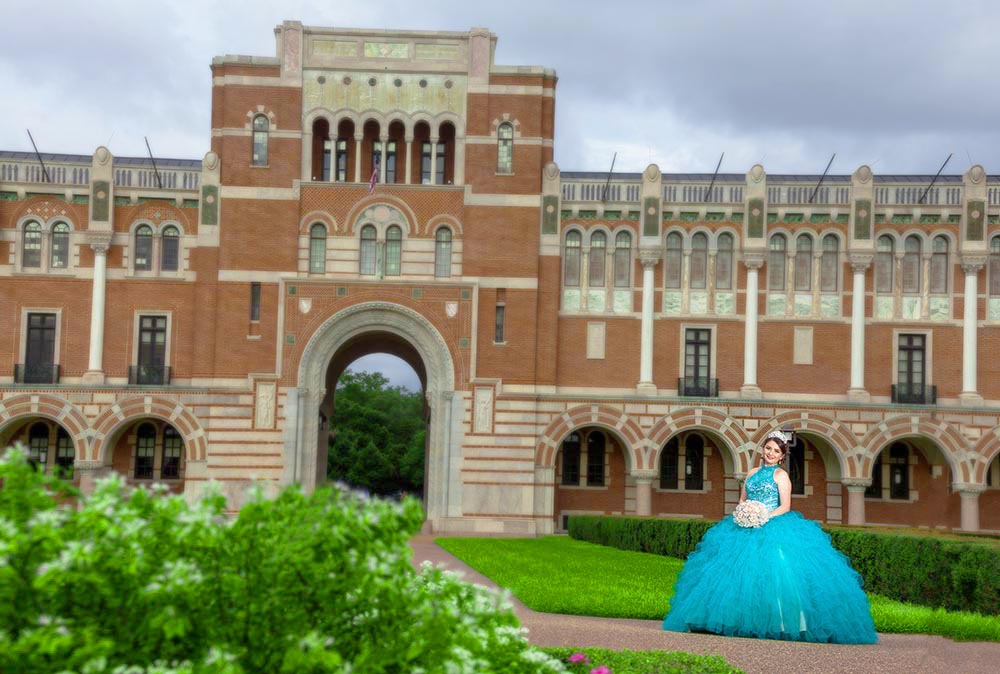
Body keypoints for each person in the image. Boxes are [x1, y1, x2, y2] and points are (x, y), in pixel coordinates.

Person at [662, 430, 877, 644]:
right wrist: (742, 513)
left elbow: (785, 506)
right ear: (762, 450)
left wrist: (763, 515)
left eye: (776, 451)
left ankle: (781, 624)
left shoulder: (781, 475)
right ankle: (727, 619)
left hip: (774, 525)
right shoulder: (752, 472)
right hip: (743, 528)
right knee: (730, 573)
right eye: (768, 448)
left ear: (782, 456)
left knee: (777, 573)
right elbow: (742, 499)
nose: (771, 453)